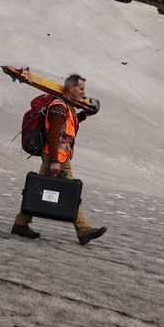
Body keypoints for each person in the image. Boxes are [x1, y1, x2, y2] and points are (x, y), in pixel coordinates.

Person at [11, 73, 107, 245]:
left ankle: (21, 223)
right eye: (81, 89)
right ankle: (83, 230)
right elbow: (54, 136)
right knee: (60, 191)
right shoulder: (59, 107)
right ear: (71, 88)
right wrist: (54, 160)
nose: (83, 93)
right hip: (55, 157)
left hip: (61, 157)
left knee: (42, 189)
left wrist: (85, 115)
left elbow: (68, 125)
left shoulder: (66, 107)